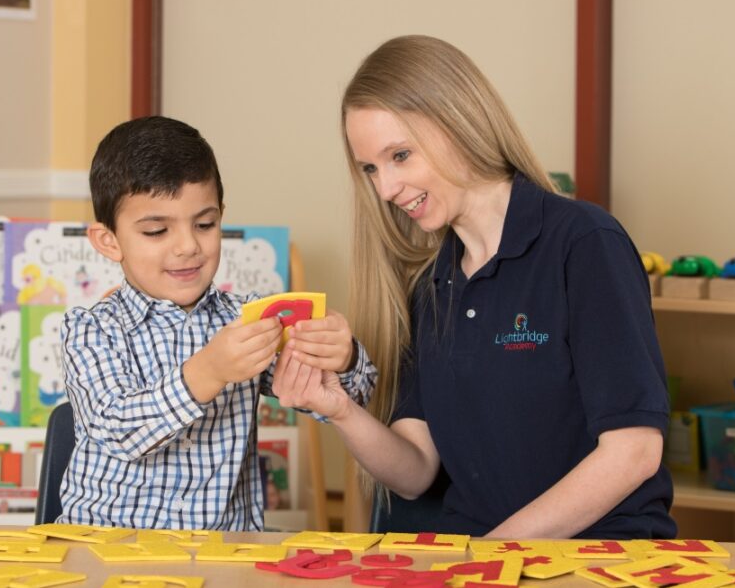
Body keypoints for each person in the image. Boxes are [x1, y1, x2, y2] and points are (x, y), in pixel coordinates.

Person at [273, 35, 676, 539]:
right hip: (474, 558)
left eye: (400, 155)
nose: (386, 189)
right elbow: (416, 471)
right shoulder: (433, 284)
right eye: (371, 169)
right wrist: (339, 407)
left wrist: (490, 557)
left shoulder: (585, 244)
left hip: (592, 560)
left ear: (459, 126)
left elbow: (633, 452)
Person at [57, 115, 377, 530]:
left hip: (225, 555)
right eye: (156, 231)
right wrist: (208, 371)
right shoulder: (90, 330)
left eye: (205, 224)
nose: (188, 246)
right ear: (109, 241)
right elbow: (118, 430)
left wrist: (343, 359)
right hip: (108, 551)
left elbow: (353, 400)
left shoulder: (248, 320)